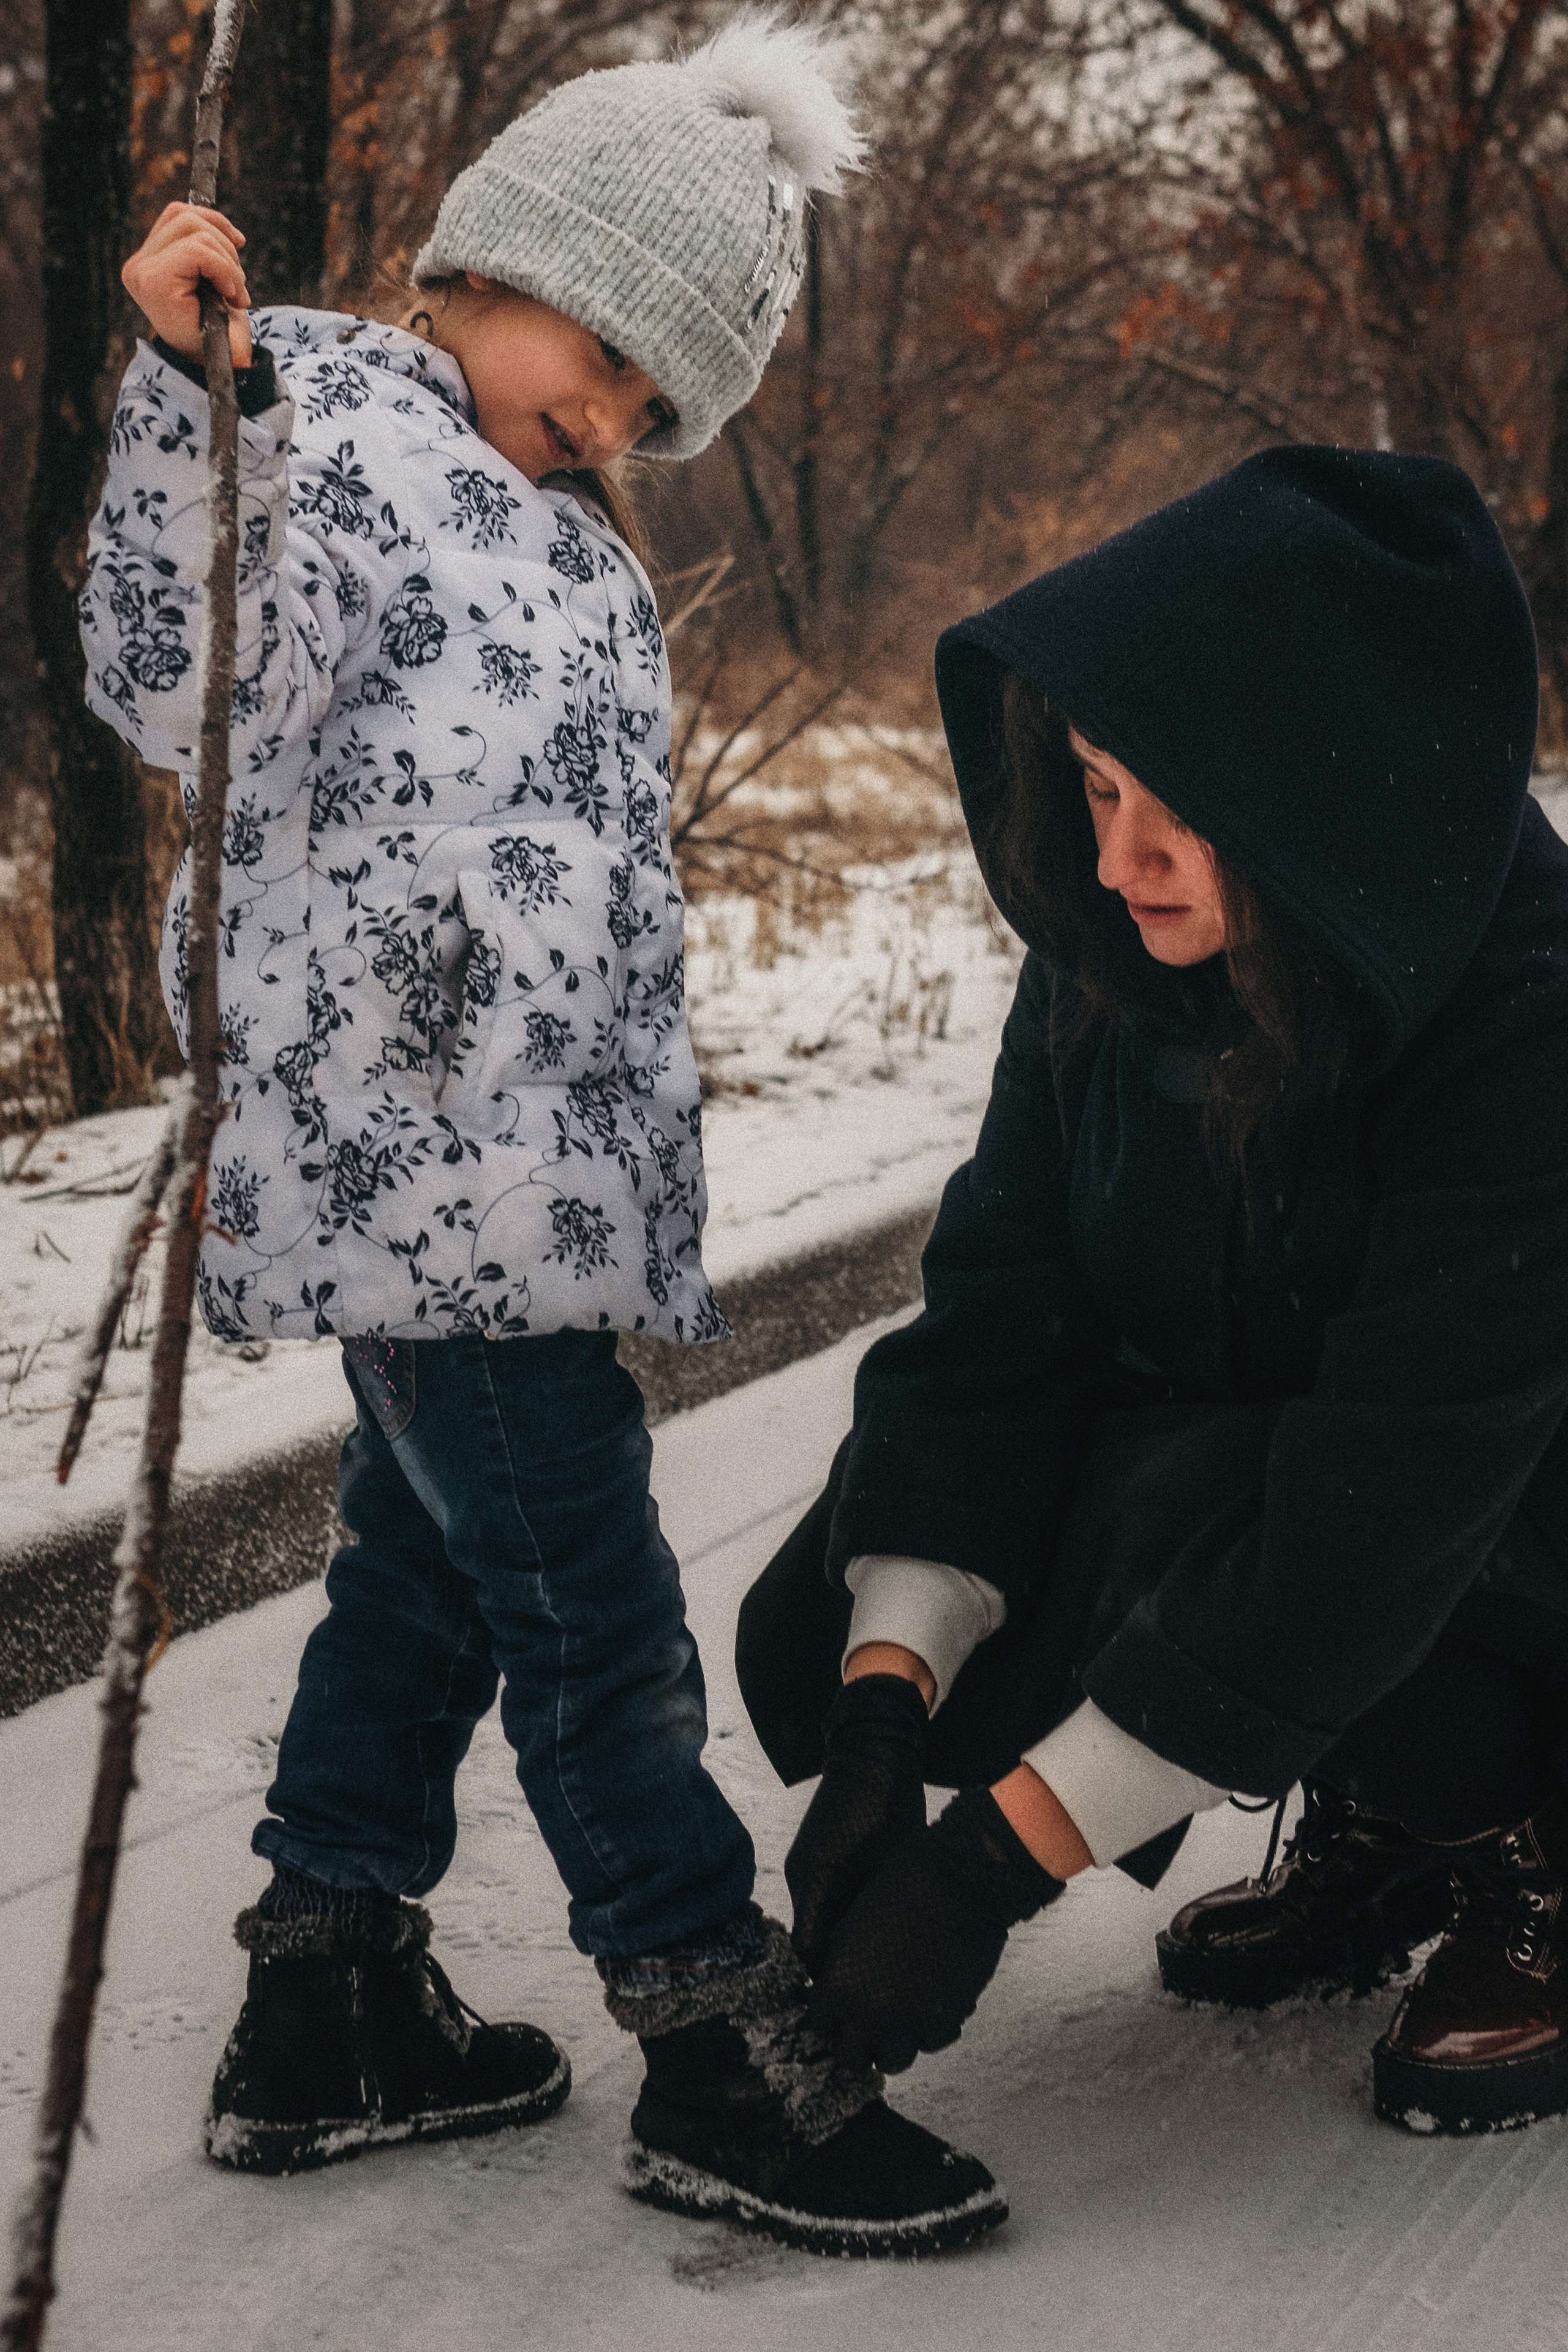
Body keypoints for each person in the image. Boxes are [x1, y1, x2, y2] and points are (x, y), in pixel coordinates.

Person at [81, 15, 1009, 2256]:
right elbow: (176, 678)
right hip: (410, 1168)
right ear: (496, 263)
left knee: (427, 1580)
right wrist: (194, 407)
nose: (616, 422)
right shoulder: (314, 426)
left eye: (656, 406)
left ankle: (328, 1996)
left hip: (527, 1183)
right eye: (605, 359)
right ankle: (709, 2034)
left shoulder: (562, 543)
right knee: (595, 1606)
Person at [736, 443, 1568, 2140]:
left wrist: (990, 1870)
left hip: (1505, 1508)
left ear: (1324, 793)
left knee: (1265, 1513)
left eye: (1178, 807)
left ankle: (1521, 1837)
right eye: (1099, 786)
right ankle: (1397, 1815)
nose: (1120, 860)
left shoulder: (1523, 1003)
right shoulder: (1109, 955)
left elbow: (1393, 1487)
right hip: (1354, 1492)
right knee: (873, 1571)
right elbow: (1000, 1316)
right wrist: (885, 1708)